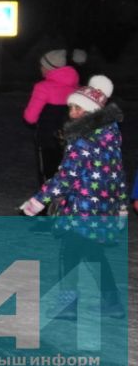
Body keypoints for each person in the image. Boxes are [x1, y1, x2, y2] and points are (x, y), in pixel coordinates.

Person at [20, 75, 128, 316]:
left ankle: (68, 305)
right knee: (93, 253)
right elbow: (118, 175)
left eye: (78, 107)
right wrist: (120, 206)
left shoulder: (82, 139)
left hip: (81, 209)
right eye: (70, 106)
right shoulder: (110, 136)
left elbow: (65, 178)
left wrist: (39, 200)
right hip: (103, 210)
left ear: (90, 111)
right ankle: (112, 302)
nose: (72, 111)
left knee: (68, 254)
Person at [22, 49, 82, 189]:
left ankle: (48, 205)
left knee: (48, 174)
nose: (40, 68)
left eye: (42, 65)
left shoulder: (43, 88)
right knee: (69, 173)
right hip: (72, 138)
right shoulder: (77, 87)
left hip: (47, 138)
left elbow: (30, 118)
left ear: (49, 68)